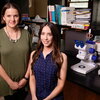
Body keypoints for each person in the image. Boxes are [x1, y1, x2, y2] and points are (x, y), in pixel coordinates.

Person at [0, 2, 32, 100]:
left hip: (24, 83)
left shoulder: (27, 34)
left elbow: (31, 58)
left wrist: (25, 78)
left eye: (15, 16)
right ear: (3, 17)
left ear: (19, 17)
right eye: (9, 16)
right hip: (5, 85)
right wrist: (10, 82)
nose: (12, 19)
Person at [29, 22, 67, 100]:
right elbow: (32, 77)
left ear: (54, 36)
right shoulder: (33, 55)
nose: (45, 38)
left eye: (49, 34)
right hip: (36, 97)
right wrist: (33, 96)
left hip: (54, 98)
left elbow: (60, 85)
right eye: (43, 34)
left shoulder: (62, 57)